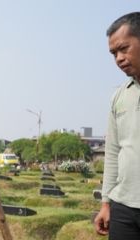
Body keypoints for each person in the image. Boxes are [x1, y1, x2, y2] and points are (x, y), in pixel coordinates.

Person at [94, 12, 140, 239]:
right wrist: (106, 203)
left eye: (124, 49)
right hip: (123, 206)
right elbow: (113, 152)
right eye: (114, 54)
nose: (119, 58)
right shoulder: (120, 96)